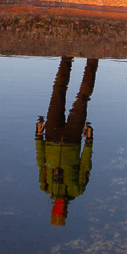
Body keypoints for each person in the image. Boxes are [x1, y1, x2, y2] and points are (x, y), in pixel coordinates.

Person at [34, 56, 98, 225]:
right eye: (62, 213)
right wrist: (89, 141)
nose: (60, 209)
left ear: (53, 209)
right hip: (73, 140)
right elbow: (85, 164)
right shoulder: (77, 190)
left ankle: (67, 57)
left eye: (57, 212)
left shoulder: (45, 186)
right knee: (83, 98)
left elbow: (41, 161)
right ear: (66, 211)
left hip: (51, 137)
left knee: (58, 91)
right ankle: (93, 59)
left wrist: (38, 136)